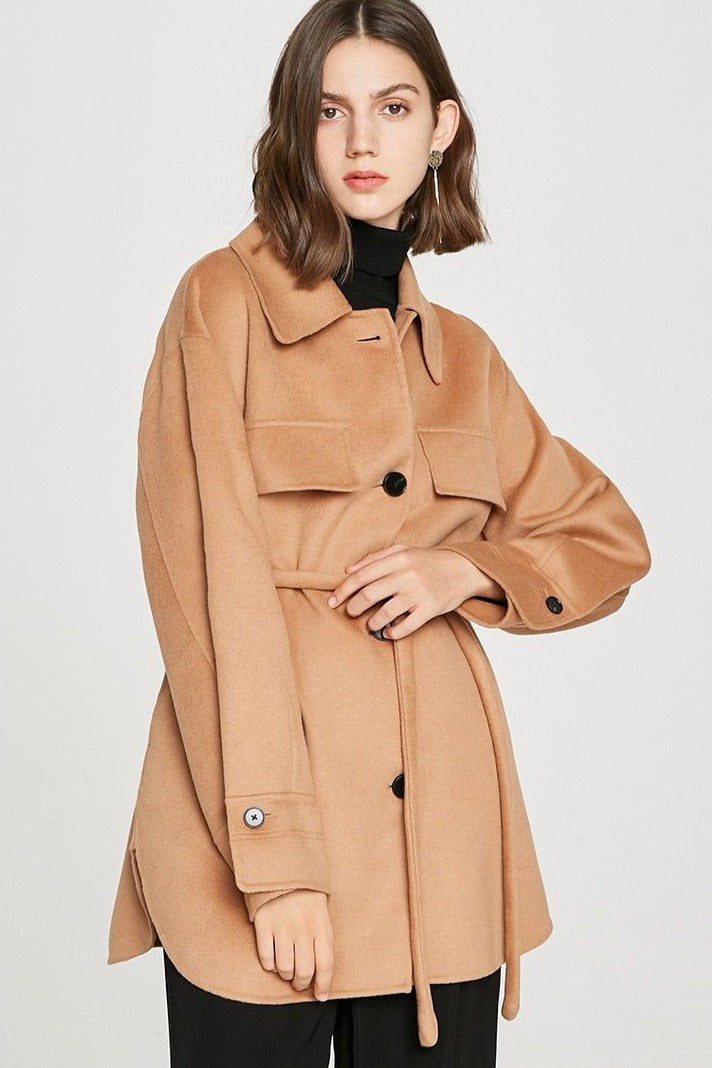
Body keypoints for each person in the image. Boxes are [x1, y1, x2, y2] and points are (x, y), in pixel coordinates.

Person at [107, 1, 651, 1065]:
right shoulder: (221, 305)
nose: (362, 140)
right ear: (294, 129)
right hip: (253, 836)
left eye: (394, 108)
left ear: (440, 127)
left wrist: (467, 571)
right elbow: (204, 596)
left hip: (441, 857)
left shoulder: (465, 356)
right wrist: (278, 862)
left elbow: (607, 540)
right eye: (330, 111)